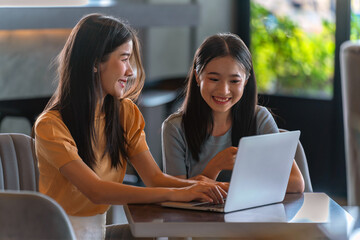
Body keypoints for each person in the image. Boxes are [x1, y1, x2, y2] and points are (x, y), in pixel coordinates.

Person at [34, 14, 227, 240]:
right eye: (124, 58)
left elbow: (154, 178)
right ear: (95, 62)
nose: (130, 71)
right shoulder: (50, 125)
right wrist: (181, 192)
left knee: (153, 234)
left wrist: (202, 186)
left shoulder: (124, 113)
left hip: (97, 232)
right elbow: (96, 190)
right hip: (59, 234)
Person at [161, 33, 305, 192]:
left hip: (253, 216)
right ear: (197, 76)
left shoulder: (260, 119)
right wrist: (215, 166)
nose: (224, 90)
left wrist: (227, 188)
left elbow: (296, 183)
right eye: (214, 79)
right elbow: (176, 193)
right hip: (198, 217)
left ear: (246, 80)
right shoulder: (175, 128)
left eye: (234, 81)